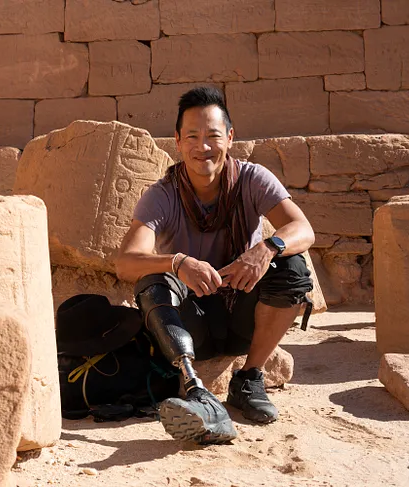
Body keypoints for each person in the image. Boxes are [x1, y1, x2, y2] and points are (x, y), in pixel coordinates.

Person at [114, 86, 315, 444]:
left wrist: (267, 247)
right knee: (151, 282)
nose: (202, 146)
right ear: (177, 141)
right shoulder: (162, 195)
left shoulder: (253, 179)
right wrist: (178, 263)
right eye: (191, 136)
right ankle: (194, 388)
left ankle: (249, 377)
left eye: (213, 136)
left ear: (230, 138)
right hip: (192, 327)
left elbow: (303, 229)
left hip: (244, 318)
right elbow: (126, 262)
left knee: (294, 268)